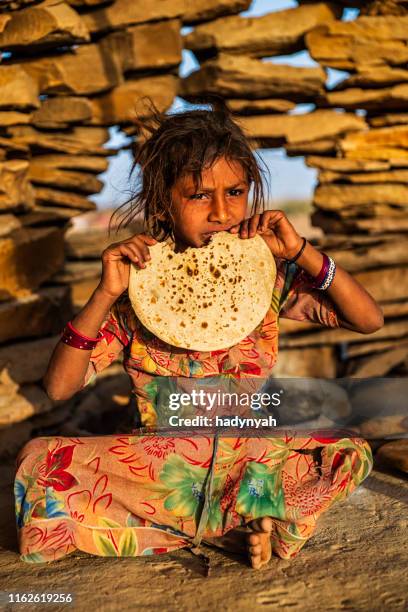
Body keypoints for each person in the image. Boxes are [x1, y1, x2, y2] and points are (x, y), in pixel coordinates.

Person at [14, 102, 383, 570]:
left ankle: (210, 526)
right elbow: (59, 387)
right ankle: (242, 526)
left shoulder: (263, 276)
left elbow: (368, 320)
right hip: (165, 470)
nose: (222, 212)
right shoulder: (138, 289)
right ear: (164, 202)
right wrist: (105, 294)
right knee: (39, 461)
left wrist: (303, 253)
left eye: (235, 192)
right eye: (198, 196)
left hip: (247, 460)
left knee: (349, 449)